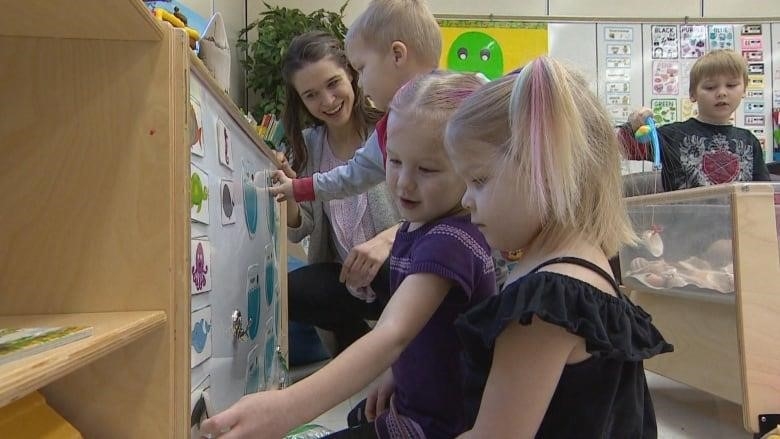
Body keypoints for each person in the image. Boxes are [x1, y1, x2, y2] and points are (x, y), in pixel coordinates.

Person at [201, 72, 496, 439]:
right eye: (395, 161)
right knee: (359, 416)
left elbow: (393, 332)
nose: (404, 182)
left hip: (434, 426)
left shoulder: (451, 240)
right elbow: (426, 330)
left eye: (427, 169)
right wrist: (396, 374)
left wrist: (286, 408)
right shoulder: (418, 225)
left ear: (472, 170)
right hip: (413, 402)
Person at [443, 57, 674, 437]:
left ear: (546, 170)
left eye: (479, 179)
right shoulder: (587, 265)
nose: (466, 199)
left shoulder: (546, 303)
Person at [275, 31, 401, 354]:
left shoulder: (390, 130)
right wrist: (290, 193)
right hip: (347, 283)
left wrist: (385, 241)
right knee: (290, 291)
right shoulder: (309, 145)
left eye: (333, 84)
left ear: (352, 74)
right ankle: (358, 355)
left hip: (398, 271)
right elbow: (301, 227)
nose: (327, 102)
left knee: (389, 268)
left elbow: (434, 210)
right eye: (311, 95)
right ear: (300, 100)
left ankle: (391, 352)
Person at [268, 0, 441, 204]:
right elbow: (353, 174)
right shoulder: (390, 126)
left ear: (397, 55)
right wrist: (298, 188)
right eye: (310, 94)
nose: (362, 83)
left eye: (362, 69)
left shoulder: (469, 100)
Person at [618, 49, 770, 191]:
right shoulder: (672, 136)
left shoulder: (750, 141)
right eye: (710, 87)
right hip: (682, 218)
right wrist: (634, 123)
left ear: (744, 90)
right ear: (692, 94)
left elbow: (763, 195)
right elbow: (627, 148)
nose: (722, 93)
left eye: (731, 85)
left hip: (739, 219)